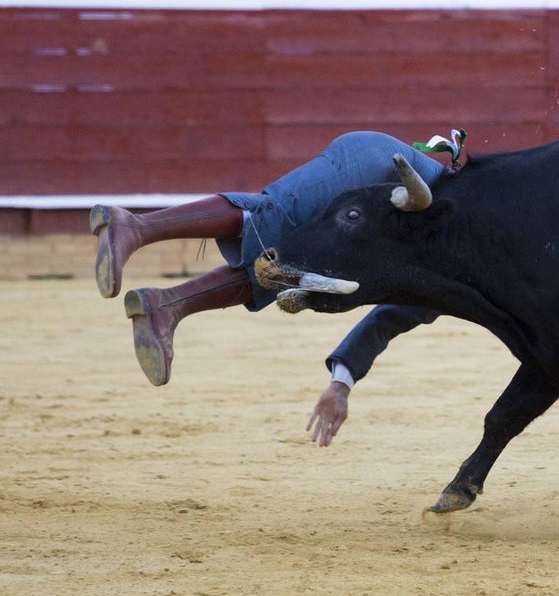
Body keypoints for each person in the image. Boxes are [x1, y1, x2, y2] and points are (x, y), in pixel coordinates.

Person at [90, 131, 443, 446]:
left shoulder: (458, 282)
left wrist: (342, 382)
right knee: (277, 217)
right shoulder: (467, 248)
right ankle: (135, 227)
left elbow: (392, 317)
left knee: (280, 271)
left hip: (395, 220)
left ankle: (167, 306)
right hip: (376, 164)